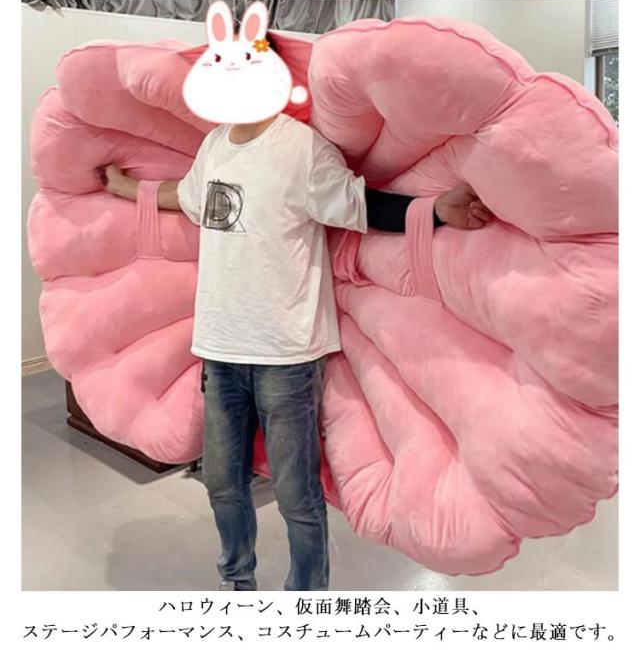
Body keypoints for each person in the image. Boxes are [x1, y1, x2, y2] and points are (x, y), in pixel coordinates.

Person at [101, 30, 492, 593]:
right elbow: (185, 196)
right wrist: (126, 189)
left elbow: (360, 205)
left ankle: (306, 598)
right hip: (219, 350)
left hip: (285, 354)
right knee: (223, 485)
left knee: (296, 494)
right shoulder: (214, 146)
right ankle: (237, 582)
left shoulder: (301, 149)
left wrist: (435, 211)